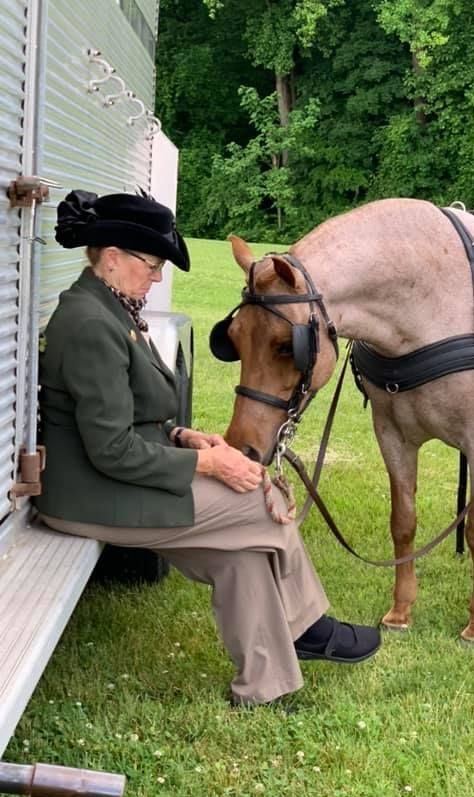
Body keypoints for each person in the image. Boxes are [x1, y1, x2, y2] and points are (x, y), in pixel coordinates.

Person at [35, 189, 380, 708]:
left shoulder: (110, 308)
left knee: (238, 556)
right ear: (111, 259)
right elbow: (110, 450)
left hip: (110, 478)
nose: (156, 278)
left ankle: (262, 687)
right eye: (151, 266)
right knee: (262, 497)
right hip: (89, 493)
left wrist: (184, 436)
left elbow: (130, 417)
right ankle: (308, 626)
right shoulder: (89, 323)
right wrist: (208, 460)